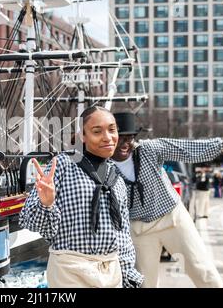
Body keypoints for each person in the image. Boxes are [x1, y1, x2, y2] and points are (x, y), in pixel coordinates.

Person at [111, 112, 223, 288]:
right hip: (139, 229)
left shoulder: (149, 149)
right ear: (111, 137)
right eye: (120, 138)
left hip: (172, 218)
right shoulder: (105, 167)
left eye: (129, 138)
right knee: (144, 284)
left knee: (203, 271)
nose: (125, 144)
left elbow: (187, 149)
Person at [20, 106, 143, 288]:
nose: (108, 137)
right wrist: (47, 204)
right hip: (70, 272)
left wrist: (128, 274)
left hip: (111, 272)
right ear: (82, 137)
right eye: (97, 131)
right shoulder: (63, 164)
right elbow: (32, 223)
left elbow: (122, 234)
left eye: (112, 129)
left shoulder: (116, 178)